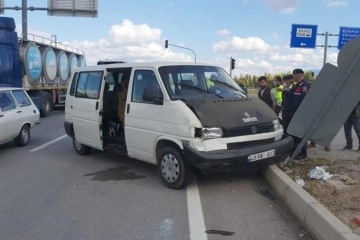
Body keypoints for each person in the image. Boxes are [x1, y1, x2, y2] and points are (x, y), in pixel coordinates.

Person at [283, 69, 311, 160]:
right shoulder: (296, 86)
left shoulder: (305, 86)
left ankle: (303, 153)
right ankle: (295, 151)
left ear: (299, 75)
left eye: (294, 75)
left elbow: (306, 101)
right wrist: (284, 91)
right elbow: (291, 96)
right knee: (294, 133)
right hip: (293, 112)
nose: (293, 77)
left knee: (301, 134)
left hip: (301, 114)